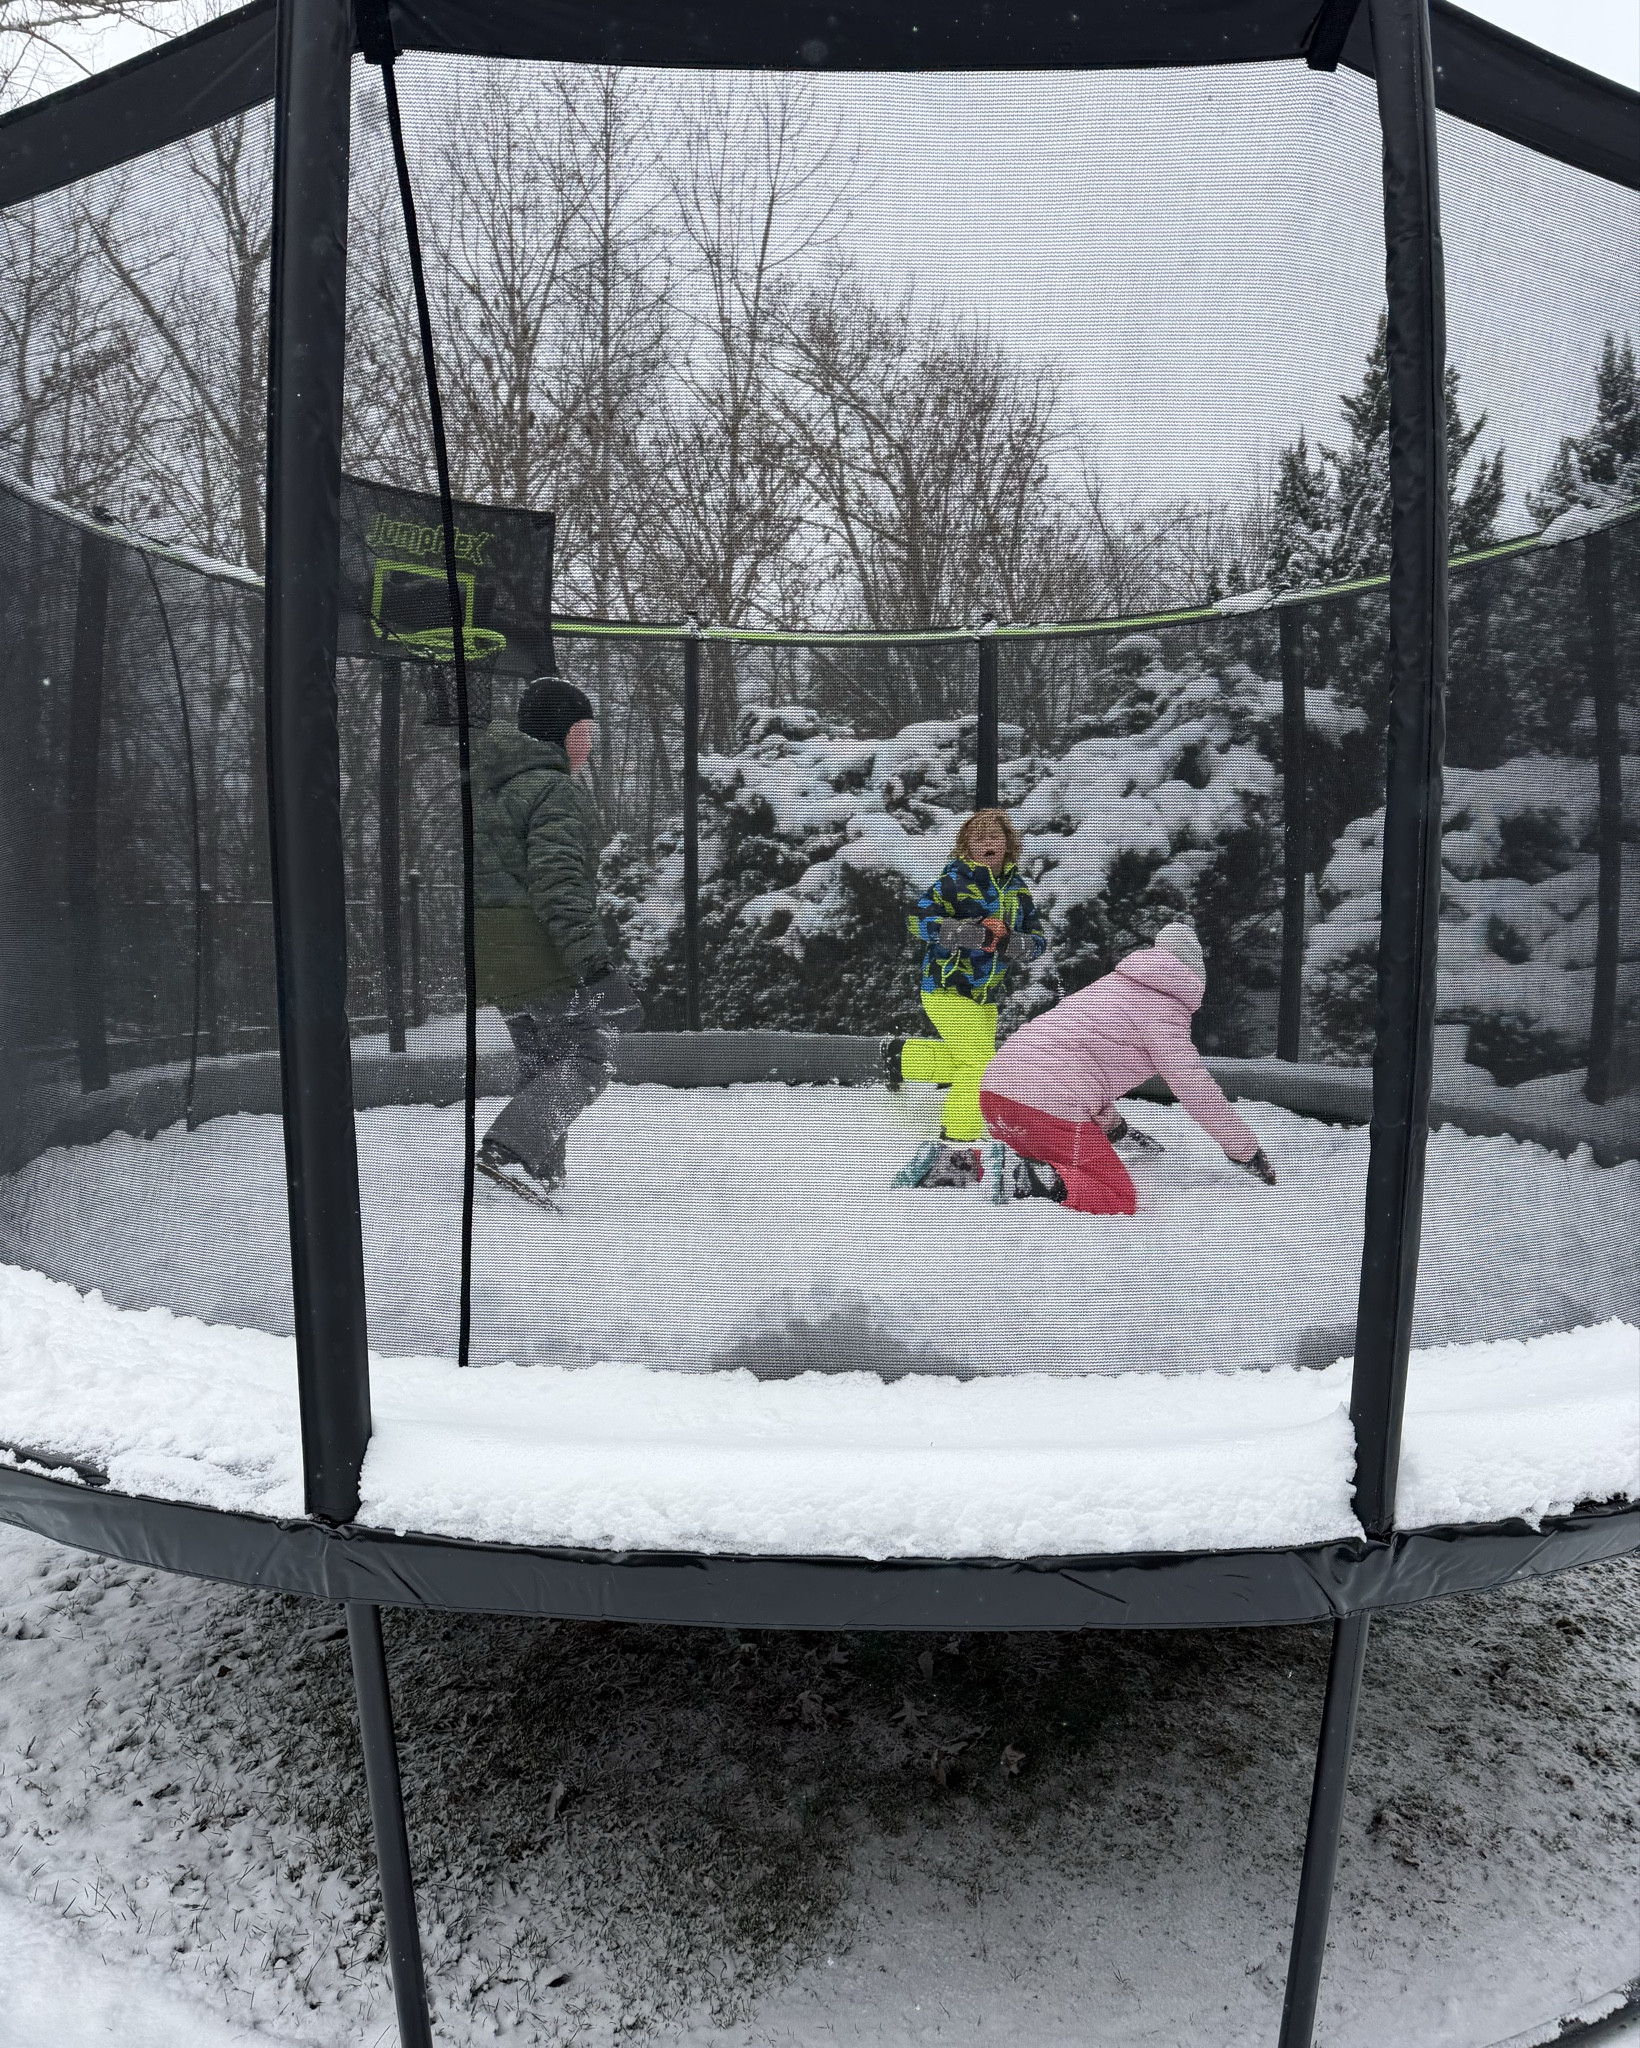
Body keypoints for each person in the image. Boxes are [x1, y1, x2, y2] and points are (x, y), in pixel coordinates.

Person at [472, 673, 643, 1207]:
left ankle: (540, 1172)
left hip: (493, 950)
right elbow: (559, 886)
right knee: (588, 1058)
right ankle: (510, 1151)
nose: (589, 743)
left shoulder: (493, 786)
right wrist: (595, 967)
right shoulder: (553, 790)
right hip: (536, 948)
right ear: (557, 734)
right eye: (582, 730)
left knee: (544, 1062)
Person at [978, 921, 1276, 1213]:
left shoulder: (1111, 988)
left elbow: (1079, 1069)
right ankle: (1020, 1177)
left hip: (994, 1092)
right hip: (1044, 1106)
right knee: (1116, 1193)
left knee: (1041, 1153)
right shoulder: (1164, 1013)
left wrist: (1118, 1131)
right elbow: (1197, 1090)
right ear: (1194, 977)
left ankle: (969, 1163)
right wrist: (1246, 1152)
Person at [884, 806, 1046, 1189]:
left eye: (996, 836)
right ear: (966, 848)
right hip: (946, 988)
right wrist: (973, 933)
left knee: (966, 1061)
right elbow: (917, 921)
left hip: (986, 995)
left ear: (1009, 844)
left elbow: (1037, 940)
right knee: (980, 1067)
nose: (988, 842)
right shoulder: (953, 882)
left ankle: (902, 1056)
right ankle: (956, 1143)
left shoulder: (1017, 889)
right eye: (979, 838)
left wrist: (1012, 941)